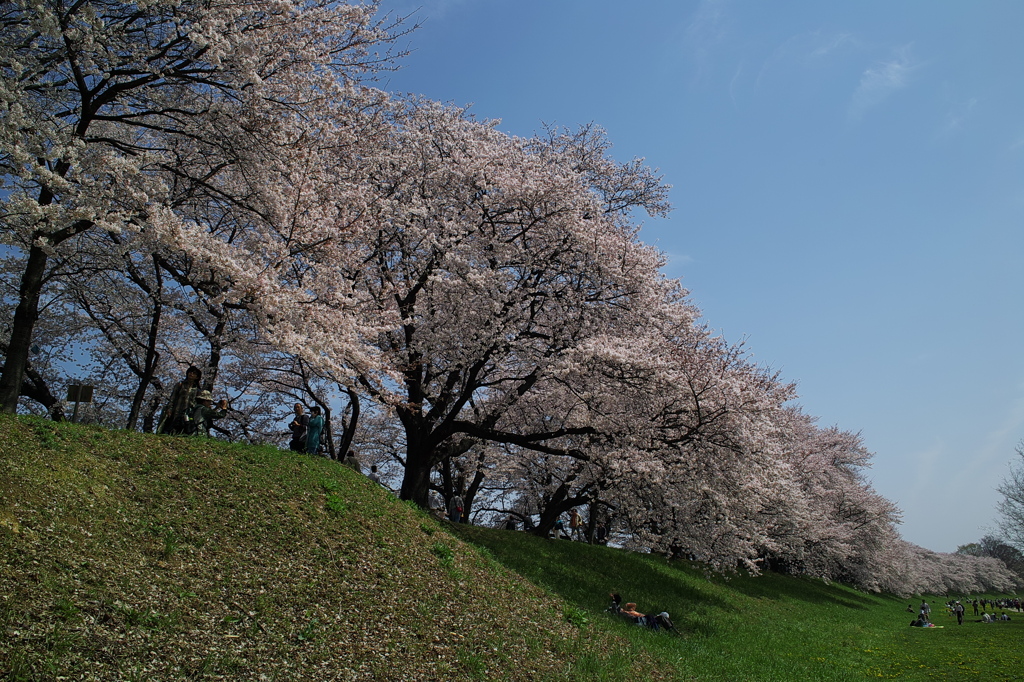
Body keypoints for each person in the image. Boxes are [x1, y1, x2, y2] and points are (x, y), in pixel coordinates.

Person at [157, 366, 202, 434]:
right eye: (190, 372)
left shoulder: (197, 389)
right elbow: (173, 397)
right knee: (172, 425)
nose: (191, 374)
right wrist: (170, 408)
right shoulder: (180, 385)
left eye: (194, 373)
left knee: (185, 427)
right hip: (177, 409)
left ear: (197, 377)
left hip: (189, 412)